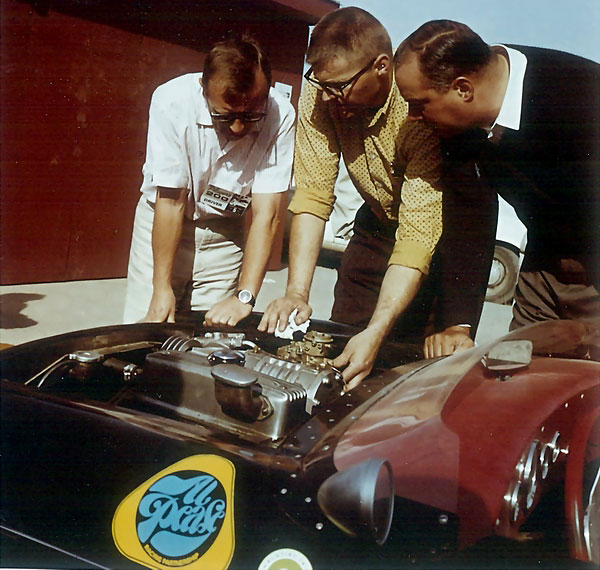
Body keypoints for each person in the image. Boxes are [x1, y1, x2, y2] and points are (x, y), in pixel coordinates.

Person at [259, 8, 447, 390]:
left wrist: (377, 331)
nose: (330, 98)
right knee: (339, 347)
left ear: (381, 66)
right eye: (321, 85)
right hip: (374, 227)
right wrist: (296, 292)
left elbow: (417, 236)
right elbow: (313, 195)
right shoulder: (324, 88)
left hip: (438, 245)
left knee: (410, 375)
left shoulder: (417, 113)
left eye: (340, 87)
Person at [394, 20, 600, 356]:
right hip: (542, 269)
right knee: (518, 383)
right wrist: (457, 325)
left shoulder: (580, 94)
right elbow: (469, 215)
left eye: (419, 104)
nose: (412, 117)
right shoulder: (458, 124)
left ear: (463, 89)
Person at [123, 37, 295, 326]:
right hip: (163, 223)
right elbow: (171, 200)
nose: (239, 127)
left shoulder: (281, 114)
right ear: (204, 90)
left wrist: (245, 296)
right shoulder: (172, 101)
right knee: (147, 330)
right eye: (225, 116)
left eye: (251, 115)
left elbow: (268, 214)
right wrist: (161, 287)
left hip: (225, 235)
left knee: (211, 340)